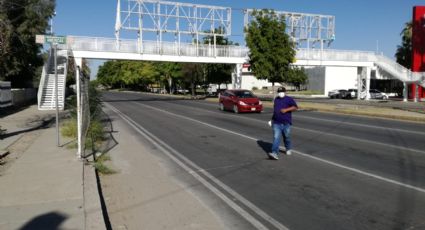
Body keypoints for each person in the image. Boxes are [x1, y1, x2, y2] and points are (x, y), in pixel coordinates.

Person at [268, 87, 298, 160]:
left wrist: (286, 110)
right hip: (276, 123)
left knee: (286, 136)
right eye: (279, 92)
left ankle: (288, 148)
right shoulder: (276, 99)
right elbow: (275, 111)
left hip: (286, 122)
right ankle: (274, 153)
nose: (280, 93)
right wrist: (271, 120)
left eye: (282, 92)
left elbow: (295, 107)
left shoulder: (289, 99)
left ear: (285, 92)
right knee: (276, 137)